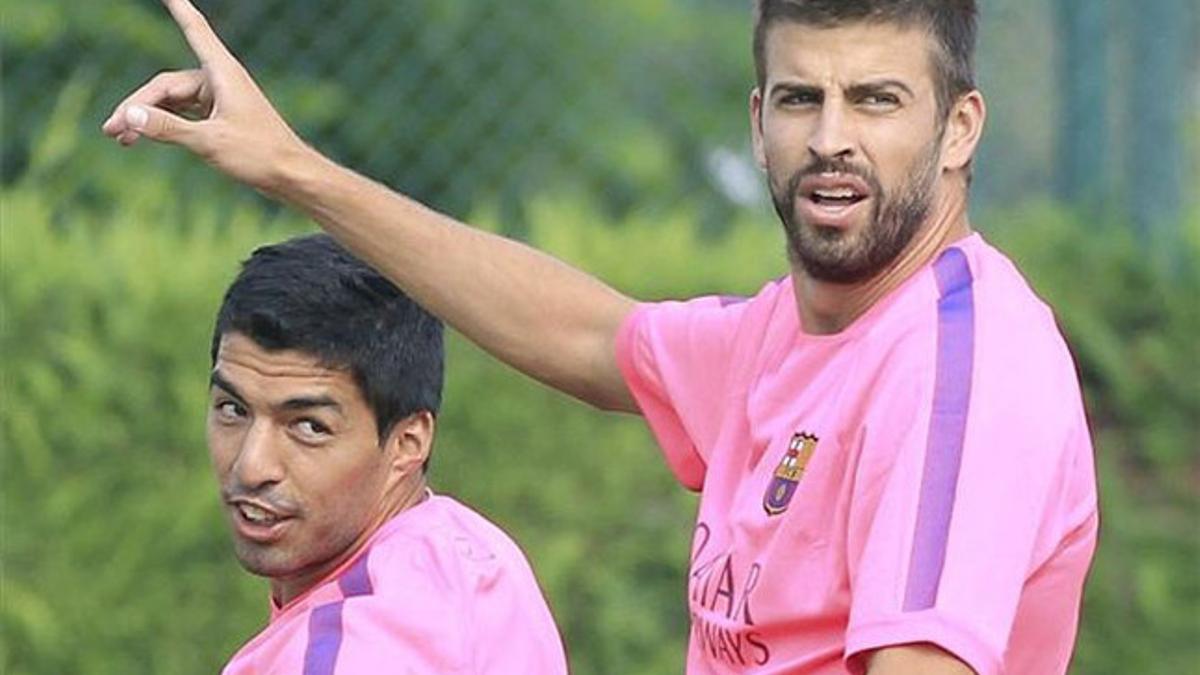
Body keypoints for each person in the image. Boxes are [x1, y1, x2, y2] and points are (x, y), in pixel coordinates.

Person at [103, 1, 1099, 673]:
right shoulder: (784, 337)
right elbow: (583, 331)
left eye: (878, 99)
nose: (832, 136)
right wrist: (292, 168)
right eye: (803, 97)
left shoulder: (957, 375)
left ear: (960, 127)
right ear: (759, 123)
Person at [202, 234, 567, 673]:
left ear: (408, 443)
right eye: (233, 409)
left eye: (309, 427)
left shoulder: (344, 648)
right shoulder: (471, 553)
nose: (252, 465)